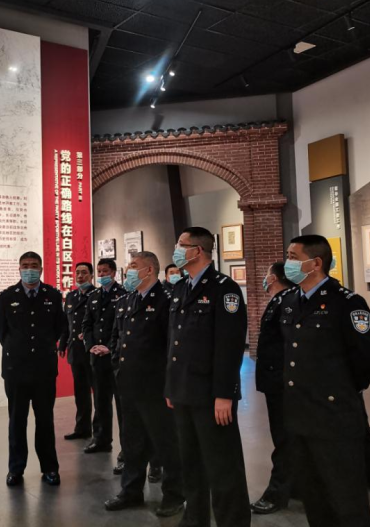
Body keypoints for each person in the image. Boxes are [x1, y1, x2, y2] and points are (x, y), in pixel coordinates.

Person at [280, 235, 370, 527]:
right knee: (314, 497)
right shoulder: (290, 301)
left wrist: (341, 388)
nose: (288, 262)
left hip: (334, 416)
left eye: (293, 257)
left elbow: (368, 359)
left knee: (346, 497)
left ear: (315, 263)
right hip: (300, 416)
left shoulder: (346, 303)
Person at [166, 226, 251, 527]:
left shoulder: (224, 289)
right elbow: (174, 342)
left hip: (211, 395)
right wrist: (171, 387)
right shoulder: (180, 287)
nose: (176, 249)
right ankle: (195, 518)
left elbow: (229, 346)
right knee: (191, 462)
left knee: (223, 466)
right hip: (183, 391)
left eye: (181, 244)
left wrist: (224, 394)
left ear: (197, 251)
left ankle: (233, 521)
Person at [104, 251, 185, 518]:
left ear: (149, 270)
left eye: (133, 266)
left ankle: (174, 495)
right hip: (129, 383)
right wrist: (117, 367)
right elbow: (117, 338)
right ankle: (130, 491)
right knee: (132, 442)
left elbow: (173, 345)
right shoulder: (127, 300)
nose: (128, 270)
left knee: (166, 442)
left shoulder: (166, 300)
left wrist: (170, 383)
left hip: (156, 385)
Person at [0, 251, 66, 487]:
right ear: (19, 269)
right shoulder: (6, 297)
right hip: (16, 369)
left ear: (41, 269)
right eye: (25, 265)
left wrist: (43, 346)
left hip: (44, 369)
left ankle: (50, 468)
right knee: (17, 421)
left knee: (45, 421)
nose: (29, 269)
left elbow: (59, 327)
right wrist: (18, 348)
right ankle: (16, 469)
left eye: (34, 265)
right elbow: (0, 330)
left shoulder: (53, 295)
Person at [250, 262, 296, 515]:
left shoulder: (288, 301)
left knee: (285, 438)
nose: (265, 279)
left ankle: (278, 492)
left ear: (275, 278)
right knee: (284, 436)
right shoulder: (278, 301)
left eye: (267, 275)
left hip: (283, 383)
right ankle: (296, 484)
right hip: (274, 382)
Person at [82, 258, 127, 467]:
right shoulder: (93, 296)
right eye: (99, 271)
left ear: (114, 272)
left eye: (105, 271)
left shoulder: (123, 295)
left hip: (116, 358)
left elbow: (123, 327)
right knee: (100, 401)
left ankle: (126, 449)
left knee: (122, 405)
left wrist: (110, 347)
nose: (102, 275)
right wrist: (91, 346)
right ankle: (101, 439)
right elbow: (87, 324)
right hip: (97, 357)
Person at [60, 262, 99, 442]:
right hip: (75, 350)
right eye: (77, 273)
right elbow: (67, 324)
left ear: (91, 275)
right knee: (81, 392)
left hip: (92, 351)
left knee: (98, 394)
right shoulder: (71, 296)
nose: (80, 276)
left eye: (84, 272)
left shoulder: (97, 295)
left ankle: (99, 433)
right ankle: (82, 428)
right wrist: (62, 344)